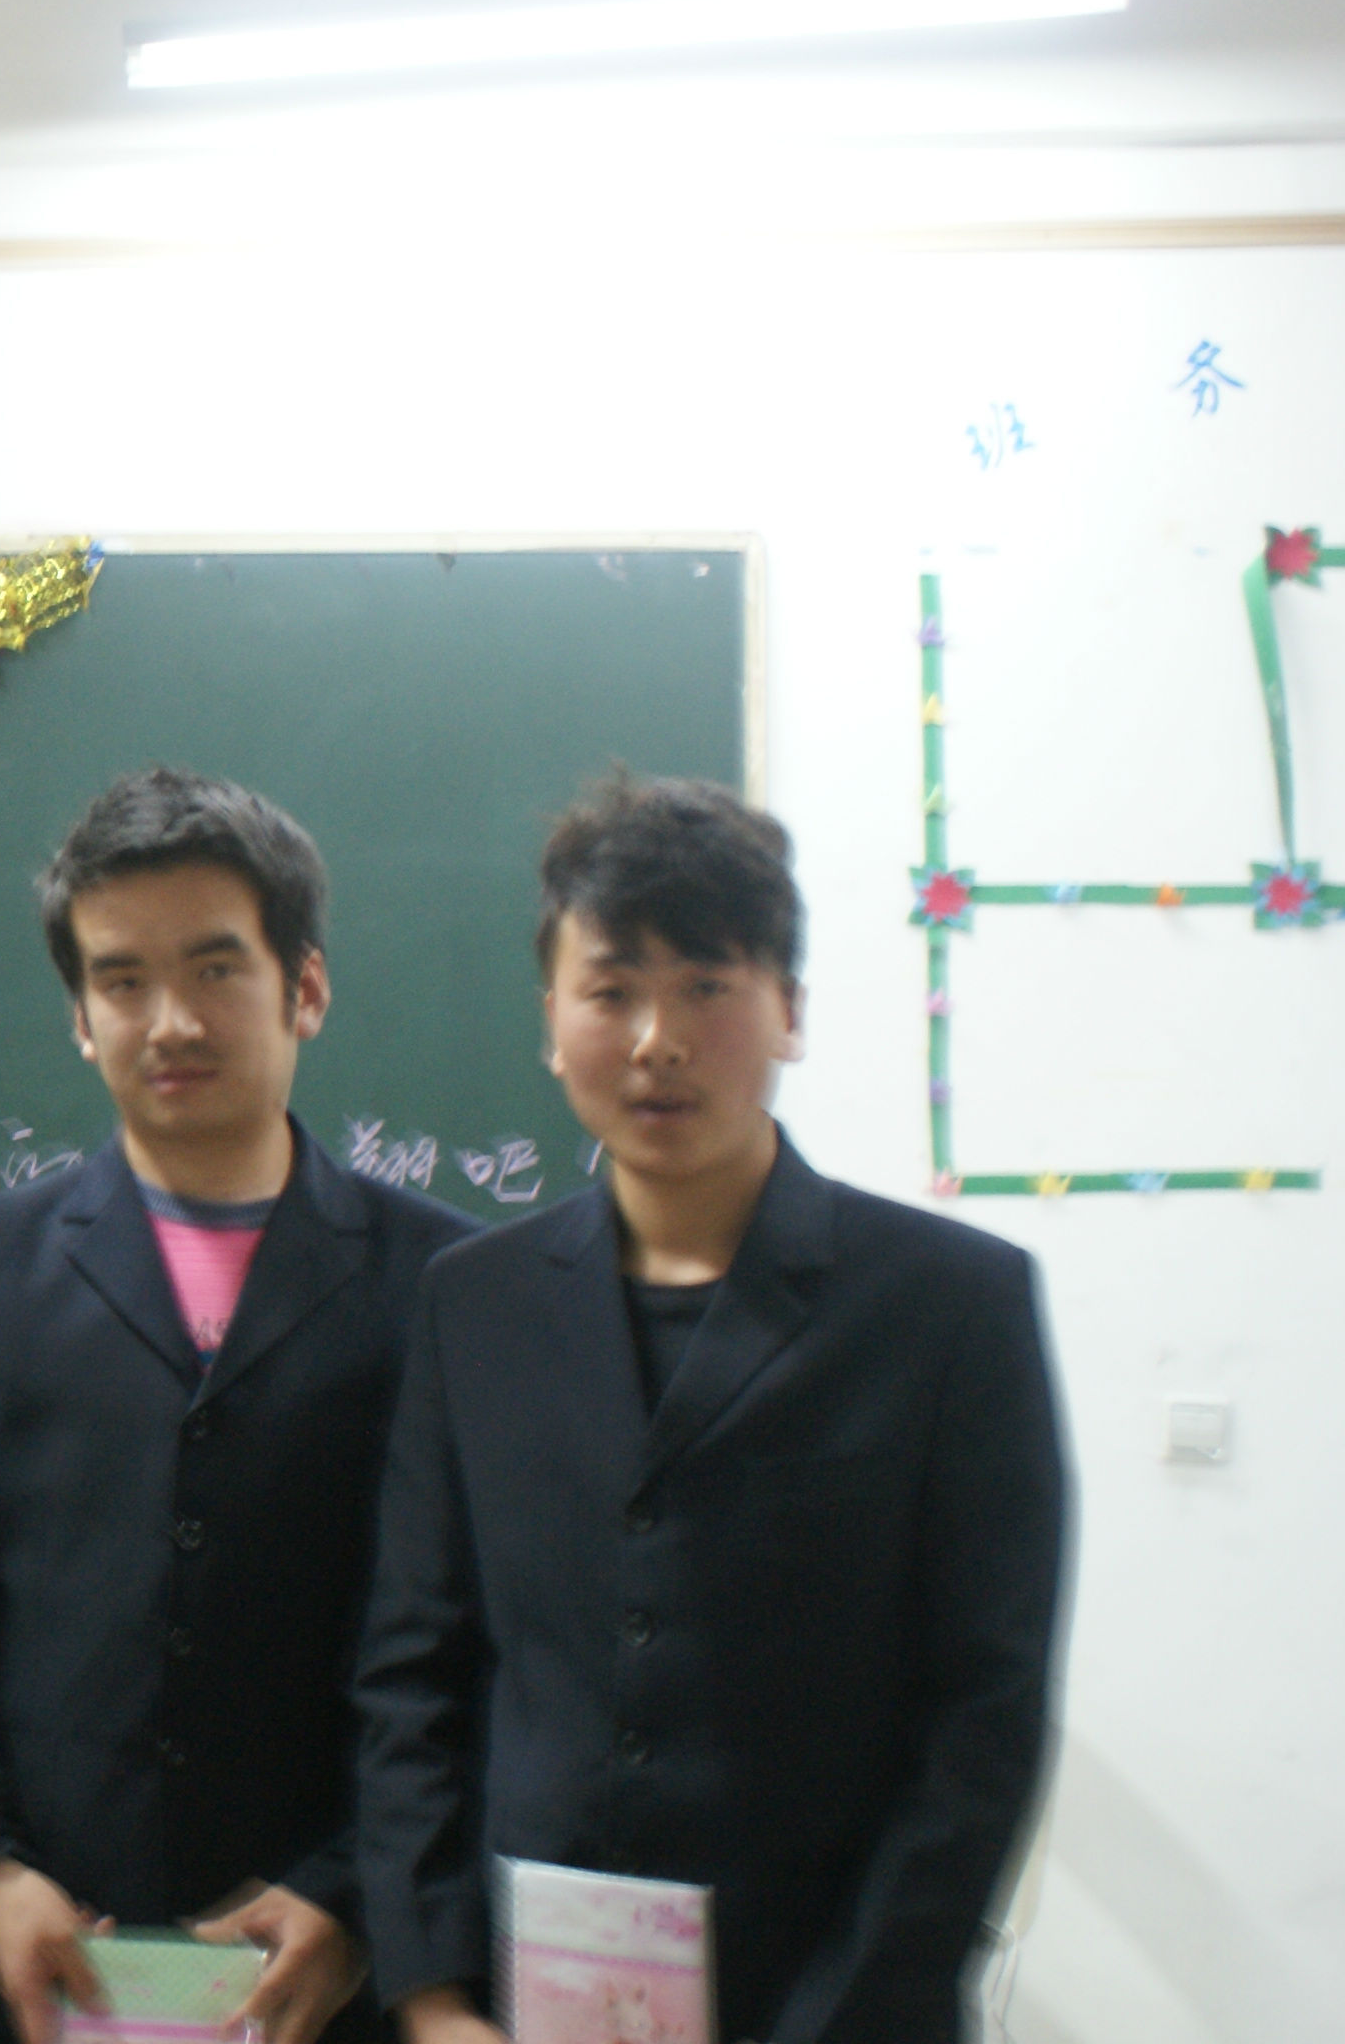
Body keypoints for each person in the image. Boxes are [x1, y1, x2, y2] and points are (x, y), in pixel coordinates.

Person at [353, 772, 1071, 2044]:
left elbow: (981, 1714)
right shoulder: (473, 1303)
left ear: (788, 1008)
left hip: (830, 1999)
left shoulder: (948, 1305)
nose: (654, 1039)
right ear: (550, 1018)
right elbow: (414, 1671)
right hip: (527, 2008)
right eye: (610, 989)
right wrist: (429, 1993)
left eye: (704, 985)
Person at [0, 769, 472, 2044]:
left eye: (214, 968)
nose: (169, 1020)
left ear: (305, 986)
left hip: (316, 1977)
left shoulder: (440, 1282)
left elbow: (470, 1638)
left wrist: (351, 1892)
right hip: (39, 1964)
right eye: (122, 980)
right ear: (79, 1017)